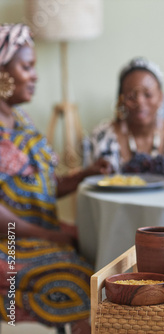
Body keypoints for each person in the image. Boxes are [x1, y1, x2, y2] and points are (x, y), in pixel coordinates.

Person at [0, 24, 110, 333]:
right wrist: (50, 235)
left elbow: (42, 187)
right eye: (26, 67)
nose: (34, 75)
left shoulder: (19, 120)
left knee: (107, 257)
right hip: (10, 242)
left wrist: (83, 176)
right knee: (84, 281)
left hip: (36, 233)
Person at [84, 57, 164, 175]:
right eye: (131, 96)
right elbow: (87, 186)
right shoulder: (100, 138)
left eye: (147, 95)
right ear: (121, 99)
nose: (140, 102)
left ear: (161, 97)